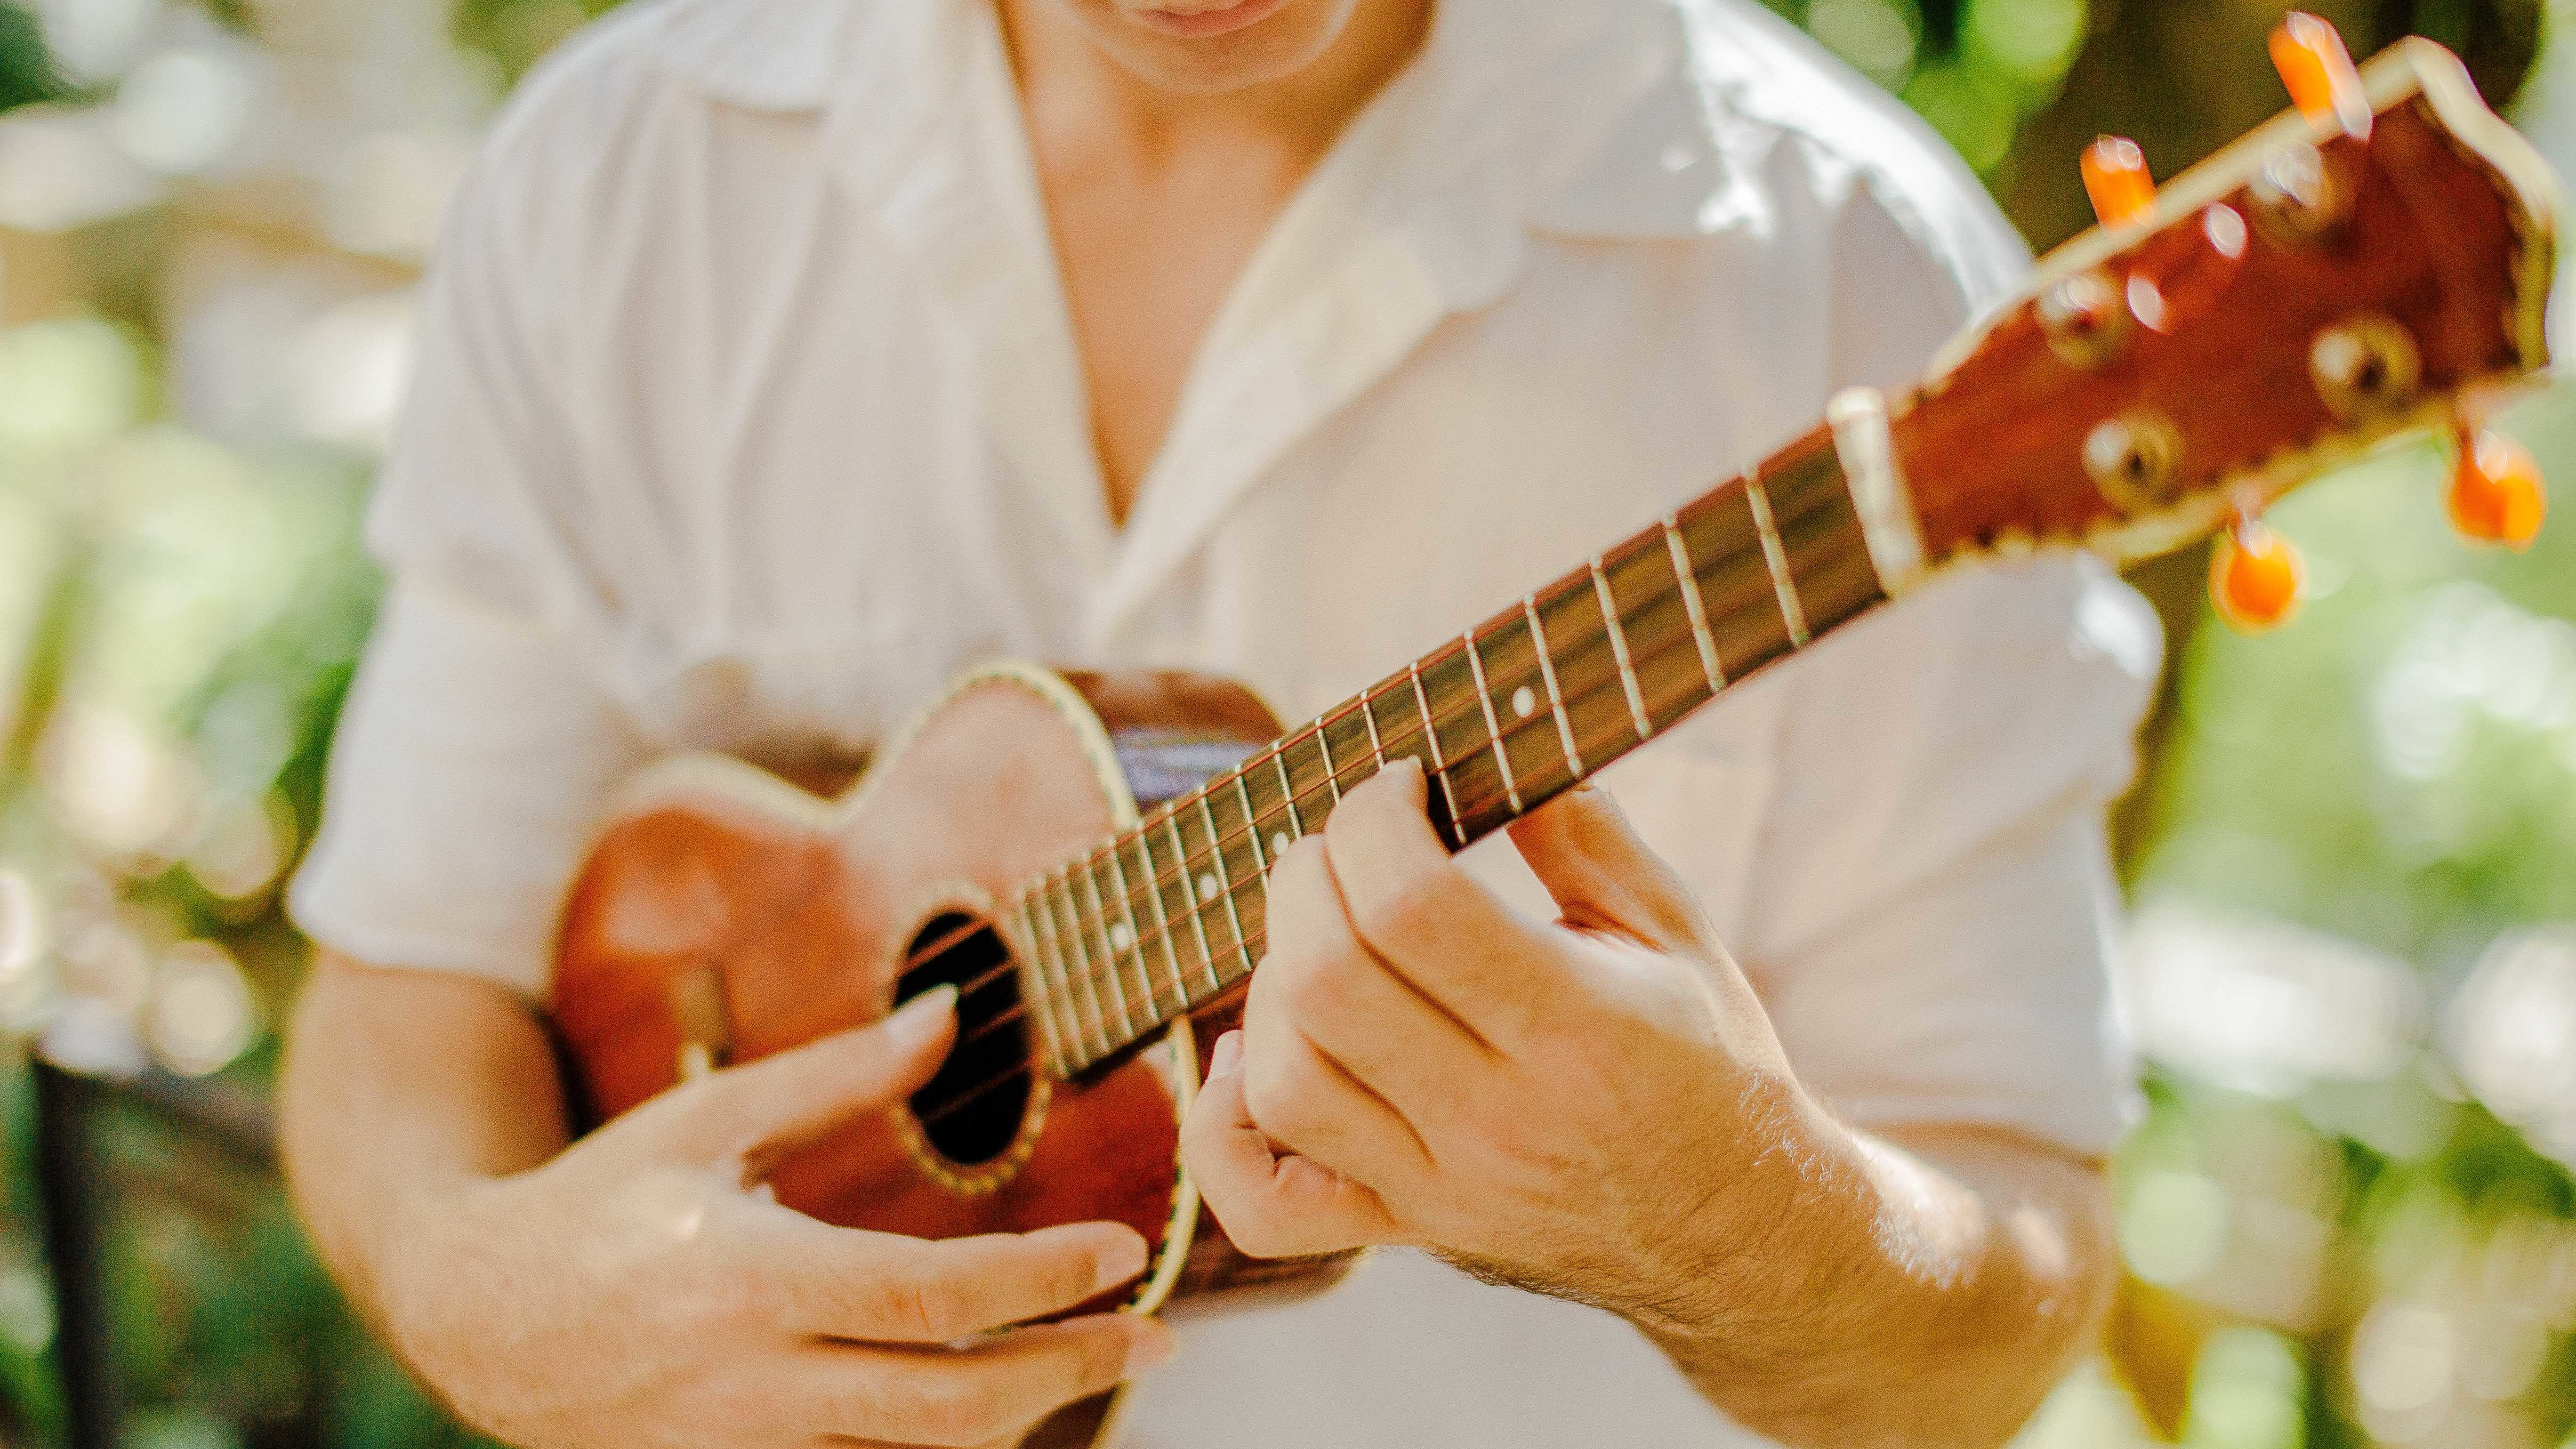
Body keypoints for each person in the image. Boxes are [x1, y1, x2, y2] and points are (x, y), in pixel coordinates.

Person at [275, 0, 2163, 1441]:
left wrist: (1734, 1212)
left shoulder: (1854, 282)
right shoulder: (629, 171)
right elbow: (407, 979)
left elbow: (2007, 1271)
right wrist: (484, 1293)